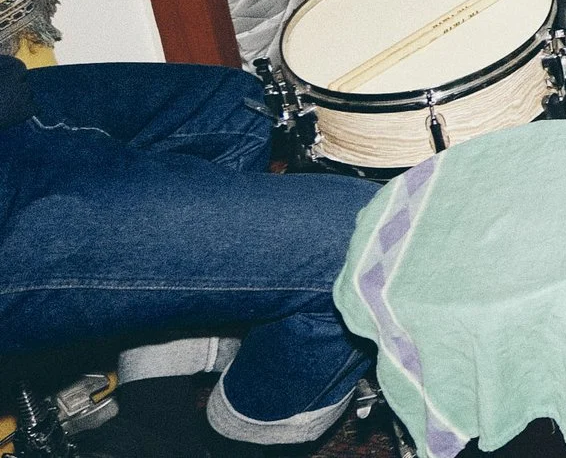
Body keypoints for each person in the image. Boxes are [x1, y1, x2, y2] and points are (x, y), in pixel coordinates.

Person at [0, 56, 379, 453]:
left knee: (237, 109)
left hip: (12, 109)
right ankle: (231, 448)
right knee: (364, 237)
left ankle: (158, 398)